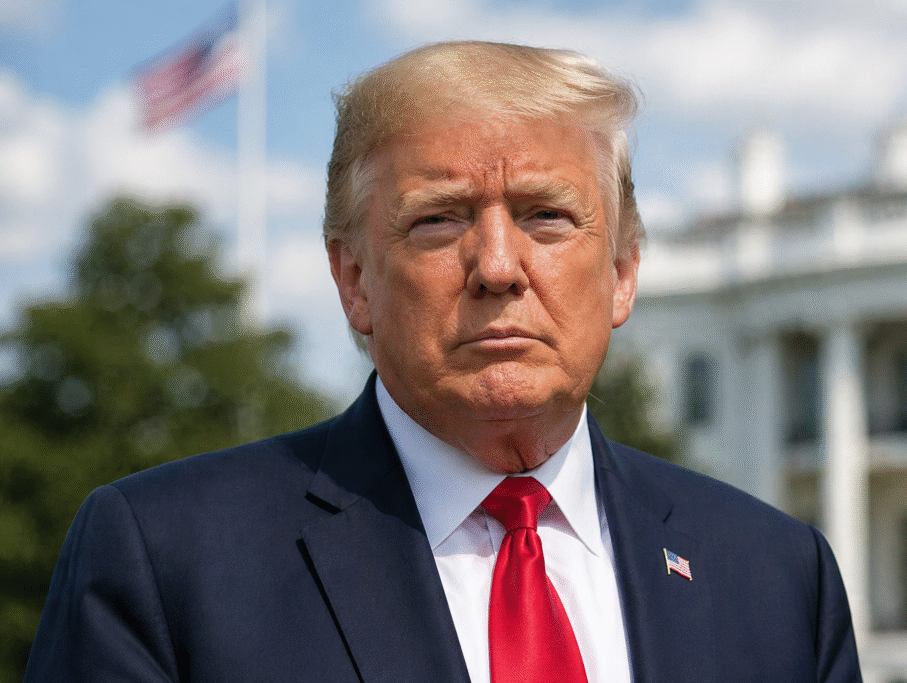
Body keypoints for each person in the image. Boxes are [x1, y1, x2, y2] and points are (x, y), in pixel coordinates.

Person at [25, 41, 861, 682]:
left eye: (545, 215)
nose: (497, 265)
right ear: (353, 277)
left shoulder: (778, 576)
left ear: (622, 272)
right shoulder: (166, 562)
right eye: (439, 220)